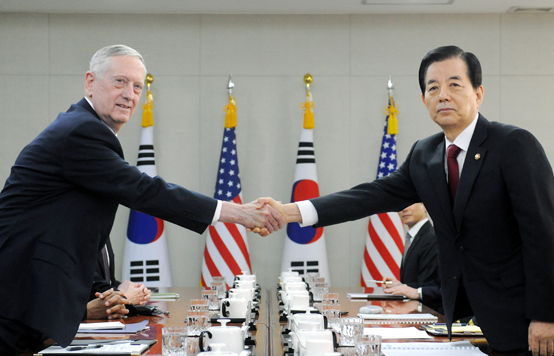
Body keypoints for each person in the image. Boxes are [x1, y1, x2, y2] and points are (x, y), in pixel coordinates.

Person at [259, 45, 554, 355]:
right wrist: (290, 212)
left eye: (454, 85)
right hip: (464, 319)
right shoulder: (425, 154)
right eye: (433, 87)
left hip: (523, 318)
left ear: (478, 94)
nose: (443, 95)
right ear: (423, 99)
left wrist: (546, 313)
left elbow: (544, 234)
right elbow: (368, 197)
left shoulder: (513, 145)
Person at [0, 44, 284, 355]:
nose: (130, 94)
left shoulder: (85, 129)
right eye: (119, 81)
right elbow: (145, 190)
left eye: (138, 86)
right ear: (90, 83)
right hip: (16, 297)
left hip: (28, 299)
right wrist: (239, 213)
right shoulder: (80, 131)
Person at [91, 238, 151, 305]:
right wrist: (124, 297)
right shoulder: (81, 234)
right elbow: (89, 282)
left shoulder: (104, 235)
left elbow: (107, 279)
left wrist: (122, 286)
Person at [396, 203, 438, 284]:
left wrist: (404, 288)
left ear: (424, 206)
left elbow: (430, 283)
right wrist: (399, 286)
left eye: (409, 203)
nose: (404, 209)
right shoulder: (412, 237)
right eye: (400, 205)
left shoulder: (432, 238)